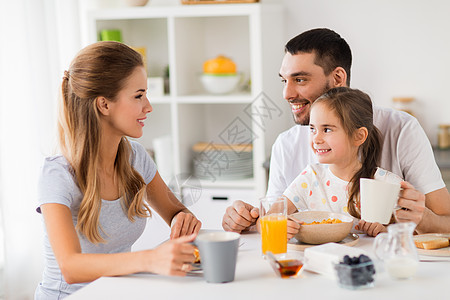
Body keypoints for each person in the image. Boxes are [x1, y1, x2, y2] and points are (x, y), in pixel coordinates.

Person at [222, 28, 450, 235]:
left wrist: (423, 220)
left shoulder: (402, 130)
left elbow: (445, 220)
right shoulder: (287, 145)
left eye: (300, 79)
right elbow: (272, 221)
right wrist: (245, 221)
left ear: (338, 78)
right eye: (284, 81)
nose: (287, 94)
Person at [35, 41, 201, 299]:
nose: (148, 106)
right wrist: (149, 260)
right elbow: (70, 267)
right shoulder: (58, 175)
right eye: (138, 95)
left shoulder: (136, 157)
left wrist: (182, 218)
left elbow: (176, 212)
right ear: (104, 105)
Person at [284, 87, 402, 237]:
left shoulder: (388, 184)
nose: (316, 139)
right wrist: (281, 224)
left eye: (327, 130)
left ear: (359, 136)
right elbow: (270, 216)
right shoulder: (310, 177)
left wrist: (386, 232)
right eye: (313, 129)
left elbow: (413, 234)